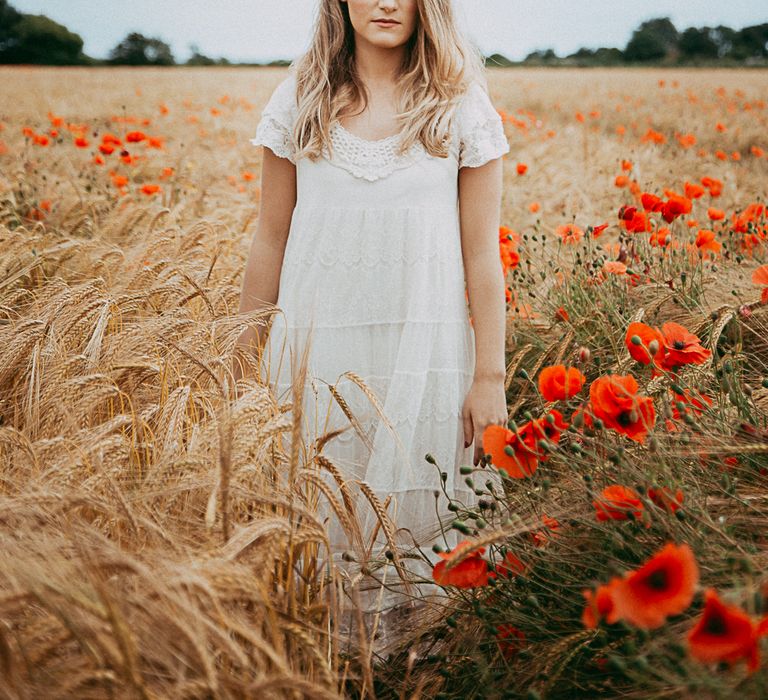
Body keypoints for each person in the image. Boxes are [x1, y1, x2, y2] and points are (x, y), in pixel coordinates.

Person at [234, 0, 509, 652]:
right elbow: (269, 240)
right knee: (317, 528)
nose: (387, 2)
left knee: (422, 545)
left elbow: (482, 256)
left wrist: (489, 376)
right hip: (316, 360)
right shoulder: (300, 98)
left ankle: (421, 676)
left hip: (424, 359)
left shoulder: (459, 104)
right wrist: (239, 364)